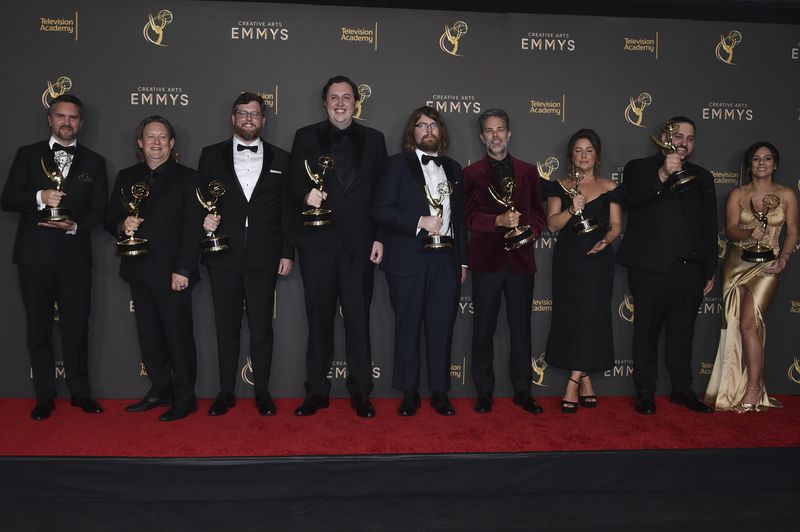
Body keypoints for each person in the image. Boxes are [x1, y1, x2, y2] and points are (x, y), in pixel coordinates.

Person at [1, 94, 107, 420]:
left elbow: (100, 209)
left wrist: (75, 224)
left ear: (81, 123)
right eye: (60, 116)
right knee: (38, 328)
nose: (66, 122)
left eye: (73, 117)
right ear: (50, 119)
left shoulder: (94, 161)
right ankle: (44, 397)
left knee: (77, 328)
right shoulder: (28, 154)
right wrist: (40, 196)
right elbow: (8, 199)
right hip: (33, 257)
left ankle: (81, 393)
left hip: (74, 257)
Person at [287, 75, 387, 418]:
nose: (340, 103)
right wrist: (305, 194)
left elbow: (381, 194)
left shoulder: (374, 140)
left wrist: (379, 236)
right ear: (325, 102)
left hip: (360, 244)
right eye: (334, 97)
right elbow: (291, 182)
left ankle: (361, 392)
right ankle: (316, 391)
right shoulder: (305, 136)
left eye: (347, 97)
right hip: (317, 243)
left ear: (356, 102)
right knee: (319, 320)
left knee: (358, 321)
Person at [199, 93, 293, 417]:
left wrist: (286, 252)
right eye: (242, 113)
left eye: (254, 114)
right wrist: (205, 225)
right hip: (223, 253)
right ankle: (225, 392)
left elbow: (287, 211)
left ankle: (262, 392)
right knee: (226, 327)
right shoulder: (210, 156)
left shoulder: (282, 158)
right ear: (233, 118)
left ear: (263, 120)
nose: (248, 119)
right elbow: (200, 200)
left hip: (265, 257)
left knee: (261, 328)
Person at [105, 116, 204, 422]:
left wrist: (184, 269)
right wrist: (123, 224)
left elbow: (192, 228)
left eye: (163, 138)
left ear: (172, 144)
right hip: (138, 269)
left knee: (178, 338)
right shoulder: (126, 176)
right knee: (149, 338)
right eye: (150, 137)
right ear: (140, 143)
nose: (157, 143)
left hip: (173, 272)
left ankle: (185, 397)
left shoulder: (189, 178)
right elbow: (111, 218)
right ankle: (161, 389)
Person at [616, 115, 718, 415]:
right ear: (664, 137)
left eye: (690, 137)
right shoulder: (639, 168)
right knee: (646, 331)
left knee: (683, 332)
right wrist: (662, 173)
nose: (683, 142)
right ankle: (645, 392)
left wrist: (709, 267)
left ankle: (682, 390)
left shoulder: (704, 176)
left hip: (691, 269)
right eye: (678, 136)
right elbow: (630, 201)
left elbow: (709, 224)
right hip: (649, 269)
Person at [373, 106, 467, 416]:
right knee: (408, 326)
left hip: (446, 261)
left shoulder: (454, 169)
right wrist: (419, 221)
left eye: (433, 125)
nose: (428, 130)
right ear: (412, 133)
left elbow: (462, 220)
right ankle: (409, 392)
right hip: (408, 258)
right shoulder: (395, 165)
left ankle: (440, 391)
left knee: (442, 327)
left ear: (441, 131)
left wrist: (463, 262)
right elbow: (382, 210)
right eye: (421, 125)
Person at [463, 108, 546, 414]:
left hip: (521, 262)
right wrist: (498, 220)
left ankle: (523, 390)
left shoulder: (528, 172)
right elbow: (469, 217)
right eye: (489, 130)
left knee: (521, 329)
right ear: (482, 136)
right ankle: (484, 391)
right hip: (486, 262)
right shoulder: (471, 174)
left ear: (508, 134)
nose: (495, 135)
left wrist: (532, 231)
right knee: (483, 328)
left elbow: (538, 212)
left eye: (500, 130)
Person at [705, 142, 798, 412]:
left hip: (768, 266)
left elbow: (793, 232)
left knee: (749, 323)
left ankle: (755, 387)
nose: (761, 163)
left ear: (775, 164)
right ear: (749, 165)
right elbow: (731, 230)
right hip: (737, 264)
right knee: (734, 323)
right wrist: (748, 234)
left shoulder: (787, 195)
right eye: (756, 159)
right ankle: (733, 387)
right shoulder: (738, 194)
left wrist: (784, 258)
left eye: (767, 158)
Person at [544, 129, 621, 413]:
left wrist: (606, 241)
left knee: (592, 317)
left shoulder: (611, 187)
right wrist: (572, 210)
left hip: (598, 260)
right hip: (569, 260)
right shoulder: (559, 186)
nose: (584, 156)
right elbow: (552, 225)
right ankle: (585, 378)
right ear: (571, 156)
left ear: (597, 155)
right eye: (578, 150)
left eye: (589, 150)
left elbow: (615, 226)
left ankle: (572, 382)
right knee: (571, 318)